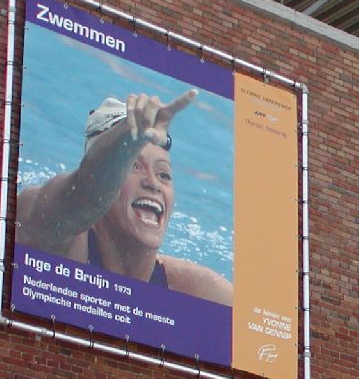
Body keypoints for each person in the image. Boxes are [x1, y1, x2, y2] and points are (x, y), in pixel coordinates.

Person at [16, 90, 233, 305]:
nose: (152, 183)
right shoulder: (52, 232)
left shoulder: (198, 290)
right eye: (133, 166)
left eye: (163, 174)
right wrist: (126, 139)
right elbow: (86, 191)